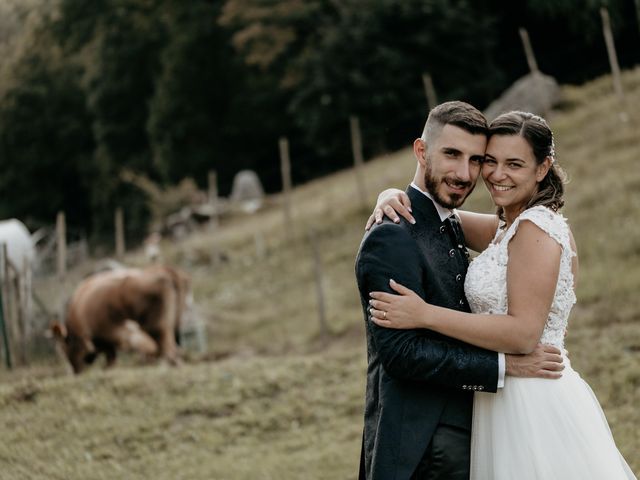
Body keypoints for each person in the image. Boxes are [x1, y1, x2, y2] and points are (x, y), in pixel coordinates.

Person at [366, 110, 636, 479]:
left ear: (542, 169)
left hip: (532, 399)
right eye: (489, 161)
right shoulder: (509, 227)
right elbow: (442, 219)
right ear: (422, 151)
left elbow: (524, 334)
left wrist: (424, 314)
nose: (494, 174)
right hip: (498, 401)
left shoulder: (536, 229)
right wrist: (392, 193)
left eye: (514, 163)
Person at [355, 102, 565, 480]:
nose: (465, 173)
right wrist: (506, 367)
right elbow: (401, 354)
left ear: (542, 168)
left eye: (475, 160)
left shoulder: (462, 223)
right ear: (421, 151)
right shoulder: (392, 234)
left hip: (482, 425)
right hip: (421, 445)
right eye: (452, 155)